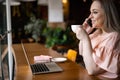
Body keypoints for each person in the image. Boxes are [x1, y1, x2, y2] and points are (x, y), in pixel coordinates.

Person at [75, 0, 120, 79]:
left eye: (95, 12)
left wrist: (85, 39)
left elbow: (92, 70)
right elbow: (82, 53)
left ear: (107, 14)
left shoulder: (114, 37)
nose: (90, 17)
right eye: (90, 12)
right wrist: (86, 34)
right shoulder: (98, 33)